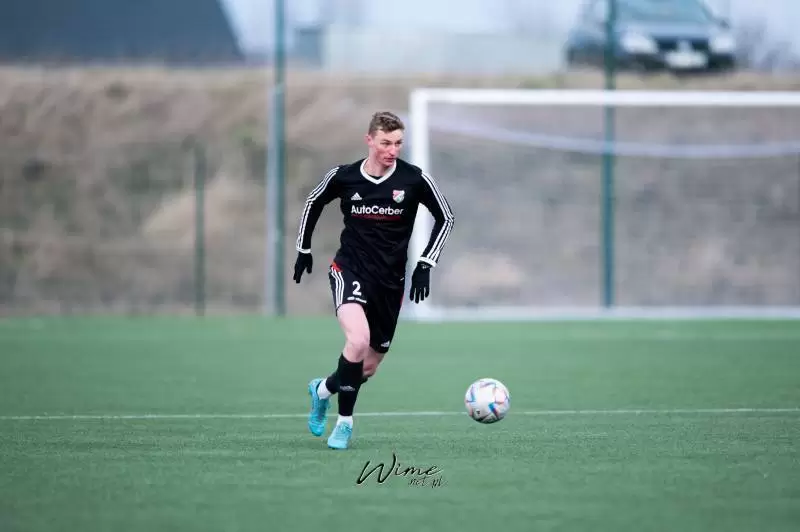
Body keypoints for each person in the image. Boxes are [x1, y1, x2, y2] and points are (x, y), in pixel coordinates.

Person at [292, 111, 455, 450]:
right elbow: (313, 202)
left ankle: (321, 390)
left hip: (390, 282)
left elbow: (446, 217)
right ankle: (345, 423)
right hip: (349, 270)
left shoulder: (414, 179)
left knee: (365, 367)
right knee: (357, 341)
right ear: (369, 140)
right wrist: (303, 248)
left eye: (398, 143)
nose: (392, 150)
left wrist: (425, 263)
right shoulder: (344, 176)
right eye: (385, 143)